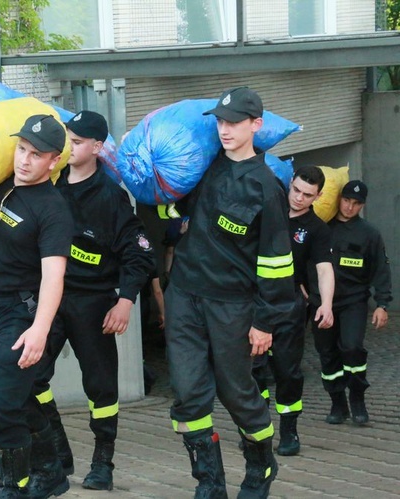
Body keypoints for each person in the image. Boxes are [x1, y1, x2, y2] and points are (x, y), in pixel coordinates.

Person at [164, 87, 295, 498]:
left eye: (234, 122)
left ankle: (260, 467)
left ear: (256, 125)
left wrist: (264, 322)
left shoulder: (267, 187)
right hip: (185, 294)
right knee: (187, 392)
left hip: (233, 306)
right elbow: (173, 213)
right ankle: (210, 482)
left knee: (237, 392)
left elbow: (277, 263)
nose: (225, 129)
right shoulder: (203, 167)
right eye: (220, 121)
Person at [31, 110, 155, 491]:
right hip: (50, 300)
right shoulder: (50, 185)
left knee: (101, 387)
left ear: (98, 148)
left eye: (79, 142)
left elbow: (140, 254)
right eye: (68, 139)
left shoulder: (111, 198)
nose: (70, 147)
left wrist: (126, 301)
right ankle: (56, 448)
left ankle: (103, 461)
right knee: (29, 375)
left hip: (93, 302)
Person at [0, 114, 73, 498]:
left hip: (18, 315)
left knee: (0, 414)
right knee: (11, 397)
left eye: (35, 155)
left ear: (53, 161)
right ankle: (50, 470)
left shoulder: (53, 209)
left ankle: (12, 486)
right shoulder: (1, 183)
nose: (24, 160)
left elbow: (54, 277)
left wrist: (39, 329)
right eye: (21, 149)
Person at [252, 165, 335, 456]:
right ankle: (257, 429)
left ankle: (289, 431)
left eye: (307, 195)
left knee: (287, 371)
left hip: (289, 306)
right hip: (254, 303)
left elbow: (324, 268)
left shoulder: (317, 229)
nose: (299, 198)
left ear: (318, 196)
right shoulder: (267, 213)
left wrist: (325, 303)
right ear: (290, 183)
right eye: (296, 189)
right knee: (252, 370)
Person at [310, 180, 391, 425]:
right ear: (339, 199)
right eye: (346, 200)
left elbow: (381, 269)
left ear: (362, 206)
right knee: (327, 353)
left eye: (356, 203)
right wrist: (303, 287)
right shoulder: (323, 228)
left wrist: (382, 304)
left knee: (352, 347)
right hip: (320, 302)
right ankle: (337, 403)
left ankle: (357, 398)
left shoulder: (369, 234)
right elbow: (304, 258)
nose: (349, 207)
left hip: (354, 301)